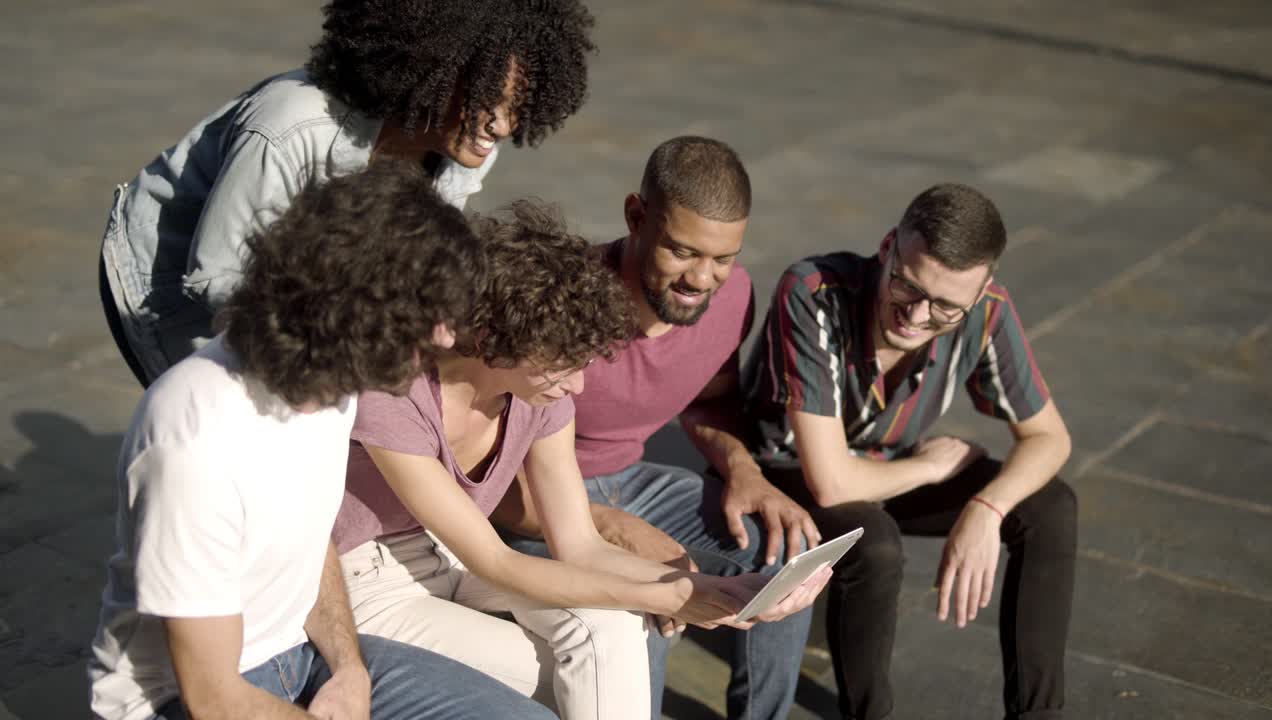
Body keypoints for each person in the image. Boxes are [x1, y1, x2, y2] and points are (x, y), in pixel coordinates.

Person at [87, 161, 557, 720]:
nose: (446, 337)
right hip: (177, 701)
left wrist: (349, 669)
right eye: (429, 315)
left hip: (303, 654)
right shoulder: (194, 443)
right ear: (360, 307)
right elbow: (213, 697)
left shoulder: (335, 387)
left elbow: (313, 544)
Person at [332, 199, 828, 720]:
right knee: (586, 674)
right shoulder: (395, 393)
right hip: (368, 585)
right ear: (500, 341)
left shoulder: (542, 399)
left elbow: (580, 545)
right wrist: (675, 597)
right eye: (562, 365)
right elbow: (495, 561)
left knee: (611, 630)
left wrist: (712, 590)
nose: (578, 384)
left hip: (448, 559)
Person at [98, 0, 596, 387]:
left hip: (303, 272)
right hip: (164, 275)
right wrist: (349, 330)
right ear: (430, 71)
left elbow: (420, 258)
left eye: (517, 107)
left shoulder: (470, 138)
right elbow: (214, 278)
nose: (502, 126)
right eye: (488, 101)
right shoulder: (291, 128)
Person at [494, 136, 821, 720]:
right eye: (682, 251)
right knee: (650, 598)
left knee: (784, 558)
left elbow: (711, 402)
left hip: (635, 478)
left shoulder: (731, 296)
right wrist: (616, 529)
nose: (702, 278)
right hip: (536, 496)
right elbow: (478, 476)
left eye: (722, 258)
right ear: (636, 217)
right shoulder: (566, 302)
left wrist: (744, 470)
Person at [745, 183, 1078, 720]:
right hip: (788, 471)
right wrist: (929, 466)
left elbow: (1050, 437)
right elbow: (830, 482)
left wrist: (985, 509)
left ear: (981, 289)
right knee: (873, 541)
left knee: (1049, 507)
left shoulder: (987, 311)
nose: (918, 316)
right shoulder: (812, 291)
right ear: (887, 248)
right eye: (906, 286)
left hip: (886, 466)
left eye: (947, 307)